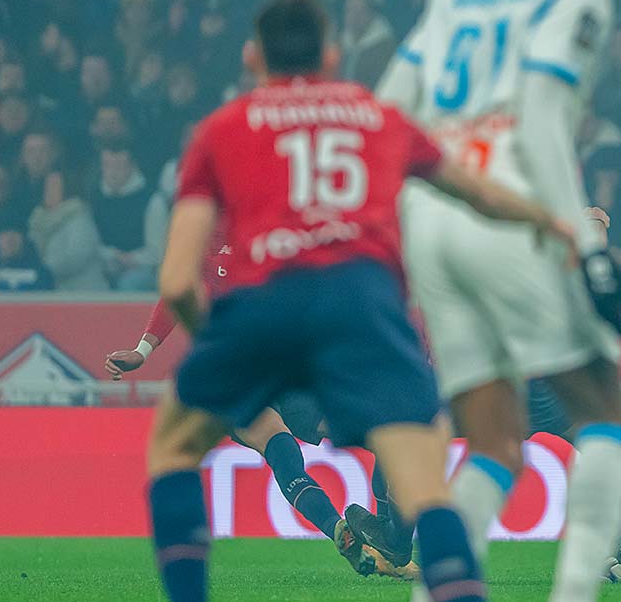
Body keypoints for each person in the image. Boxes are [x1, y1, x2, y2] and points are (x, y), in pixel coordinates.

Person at [130, 0, 571, 602]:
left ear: (252, 57)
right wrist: (553, 223)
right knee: (425, 489)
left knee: (173, 448)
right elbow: (476, 194)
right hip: (363, 305)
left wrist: (222, 354)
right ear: (332, 57)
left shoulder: (221, 130)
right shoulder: (378, 118)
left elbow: (178, 280)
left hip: (260, 303)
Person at [376, 0, 621, 602]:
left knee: (493, 440)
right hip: (511, 213)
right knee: (602, 412)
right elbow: (537, 117)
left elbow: (388, 109)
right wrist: (587, 246)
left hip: (432, 219)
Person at [104, 232, 413, 580]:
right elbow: (175, 294)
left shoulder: (274, 233)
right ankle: (353, 533)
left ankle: (381, 537)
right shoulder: (207, 237)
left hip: (282, 370)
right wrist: (142, 350)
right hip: (234, 377)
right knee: (283, 448)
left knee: (375, 437)